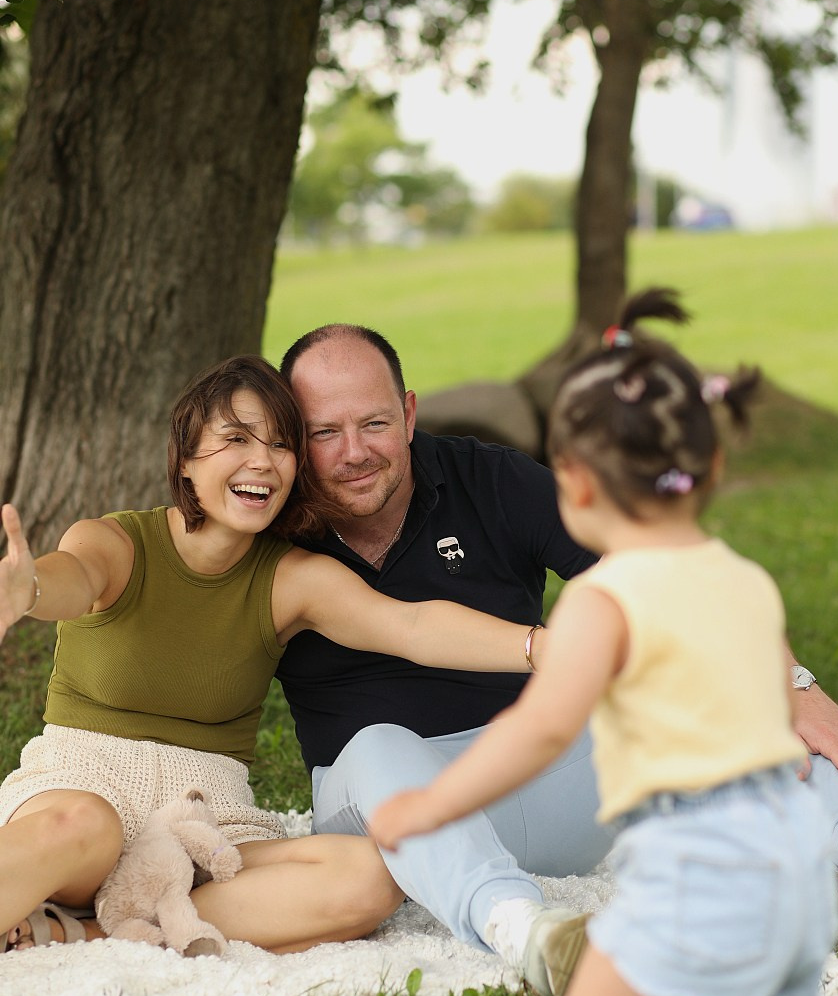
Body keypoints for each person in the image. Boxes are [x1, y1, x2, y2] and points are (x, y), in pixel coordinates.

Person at [277, 321, 838, 996]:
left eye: (374, 424)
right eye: (323, 433)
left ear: (410, 413)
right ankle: (528, 931)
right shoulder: (272, 529)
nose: (353, 453)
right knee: (377, 746)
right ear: (292, 437)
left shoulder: (485, 478)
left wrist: (793, 684)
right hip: (372, 814)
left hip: (527, 779)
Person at [369, 288, 838, 996]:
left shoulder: (601, 603)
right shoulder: (744, 578)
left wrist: (428, 806)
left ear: (573, 484)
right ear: (706, 465)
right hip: (788, 870)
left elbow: (538, 732)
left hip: (699, 874)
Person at [0, 355, 546, 957]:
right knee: (87, 825)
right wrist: (29, 590)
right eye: (235, 438)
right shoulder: (114, 542)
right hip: (82, 795)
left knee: (371, 876)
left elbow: (410, 625)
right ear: (185, 457)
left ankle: (96, 931)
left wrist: (538, 646)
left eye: (281, 443)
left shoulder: (293, 578)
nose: (261, 459)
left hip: (206, 823)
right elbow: (71, 578)